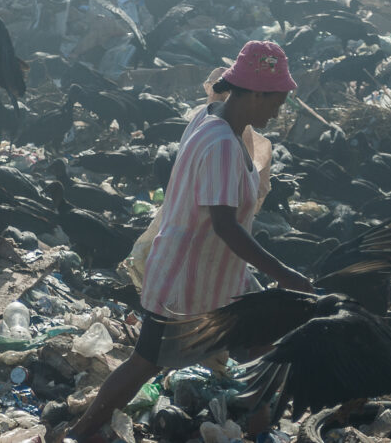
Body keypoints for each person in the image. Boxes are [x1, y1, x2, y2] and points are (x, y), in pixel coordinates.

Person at [63, 40, 312, 443]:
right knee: (144, 362)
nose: (277, 112)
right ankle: (78, 434)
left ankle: (258, 432)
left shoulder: (212, 117)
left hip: (223, 277)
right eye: (276, 101)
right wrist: (286, 275)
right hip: (186, 280)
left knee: (263, 352)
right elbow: (225, 226)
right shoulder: (220, 145)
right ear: (254, 93)